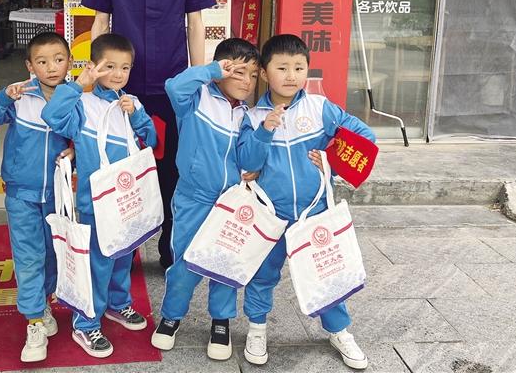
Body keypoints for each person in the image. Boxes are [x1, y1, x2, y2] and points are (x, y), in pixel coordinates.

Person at [81, 0, 217, 270]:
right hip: (120, 85)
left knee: (172, 166)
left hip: (171, 86)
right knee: (119, 163)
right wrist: (94, 77)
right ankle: (120, 244)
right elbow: (100, 20)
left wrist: (199, 80)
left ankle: (168, 247)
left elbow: (195, 22)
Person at [237, 34, 375, 369]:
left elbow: (364, 137)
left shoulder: (320, 108)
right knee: (262, 274)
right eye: (282, 67)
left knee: (327, 273)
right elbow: (247, 162)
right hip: (271, 214)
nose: (291, 75)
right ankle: (257, 329)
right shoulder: (252, 117)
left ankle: (339, 332)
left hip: (315, 212)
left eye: (299, 68)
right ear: (265, 73)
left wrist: (331, 162)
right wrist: (265, 130)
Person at [41, 33, 158, 358]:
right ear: (93, 66)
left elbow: (151, 140)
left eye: (125, 67)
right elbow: (52, 117)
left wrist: (136, 115)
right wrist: (80, 84)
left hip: (127, 201)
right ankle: (86, 322)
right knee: (97, 263)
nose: (118, 74)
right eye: (109, 66)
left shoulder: (130, 103)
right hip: (95, 202)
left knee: (123, 256)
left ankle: (118, 304)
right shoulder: (83, 104)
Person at [151, 38, 264, 361]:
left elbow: (250, 157)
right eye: (240, 72)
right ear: (223, 70)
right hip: (193, 198)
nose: (247, 82)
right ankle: (171, 317)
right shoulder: (197, 99)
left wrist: (261, 145)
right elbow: (173, 86)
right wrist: (212, 70)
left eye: (253, 75)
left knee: (224, 262)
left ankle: (221, 322)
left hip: (230, 202)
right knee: (185, 263)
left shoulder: (246, 115)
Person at [0, 32, 74, 363]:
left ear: (69, 61)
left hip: (58, 194)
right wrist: (4, 97)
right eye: (42, 61)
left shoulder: (74, 97)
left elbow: (85, 135)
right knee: (28, 257)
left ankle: (44, 302)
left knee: (53, 254)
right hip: (21, 194)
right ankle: (34, 322)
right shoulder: (21, 96)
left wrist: (74, 151)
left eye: (58, 59)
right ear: (30, 66)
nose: (51, 67)